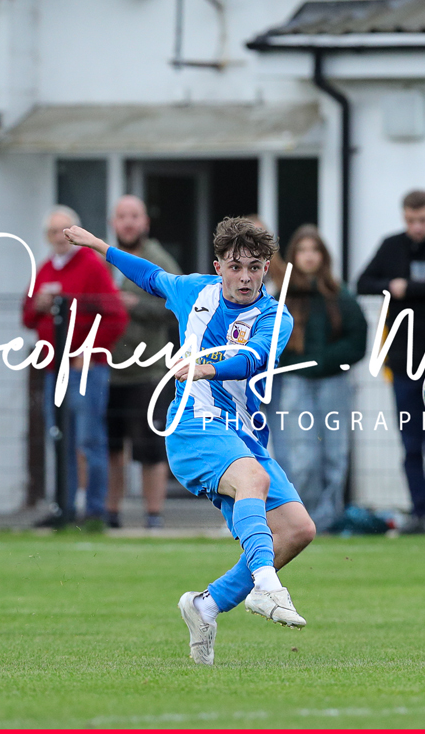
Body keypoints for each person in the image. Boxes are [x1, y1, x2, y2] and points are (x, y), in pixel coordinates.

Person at [63, 217, 316, 666]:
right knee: (253, 480)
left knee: (298, 530)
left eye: (254, 268)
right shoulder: (194, 291)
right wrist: (99, 245)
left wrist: (207, 368)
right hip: (193, 427)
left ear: (267, 269)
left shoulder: (276, 316)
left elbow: (253, 358)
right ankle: (267, 587)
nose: (244, 277)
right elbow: (149, 275)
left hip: (242, 435)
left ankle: (207, 605)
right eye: (235, 267)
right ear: (218, 266)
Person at [356, 190, 425, 534]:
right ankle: (419, 512)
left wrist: (409, 289)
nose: (416, 227)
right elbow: (363, 282)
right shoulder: (391, 246)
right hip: (403, 362)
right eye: (410, 221)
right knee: (411, 444)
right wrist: (392, 286)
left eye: (422, 220)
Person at [22, 206, 128, 525]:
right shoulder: (44, 269)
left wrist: (91, 350)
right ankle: (64, 508)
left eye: (66, 231)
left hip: (86, 369)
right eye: (55, 232)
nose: (61, 238)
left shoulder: (92, 267)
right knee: (60, 438)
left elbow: (116, 317)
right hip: (55, 367)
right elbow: (27, 318)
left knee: (89, 439)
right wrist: (37, 305)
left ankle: (95, 510)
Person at [273, 225, 368, 533]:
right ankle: (302, 520)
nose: (309, 257)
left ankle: (328, 521)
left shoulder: (341, 296)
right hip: (295, 383)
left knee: (335, 454)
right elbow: (270, 341)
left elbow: (357, 341)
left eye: (314, 250)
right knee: (301, 456)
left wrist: (324, 361)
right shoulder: (282, 298)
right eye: (302, 250)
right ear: (293, 257)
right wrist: (297, 363)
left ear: (323, 256)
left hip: (334, 384)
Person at [104, 196, 181, 529]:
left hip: (147, 370)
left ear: (145, 222)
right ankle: (109, 513)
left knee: (150, 449)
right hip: (105, 371)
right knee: (110, 449)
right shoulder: (103, 260)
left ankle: (153, 516)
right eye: (122, 216)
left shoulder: (158, 260)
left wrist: (134, 305)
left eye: (134, 216)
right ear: (113, 222)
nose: (128, 223)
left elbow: (178, 305)